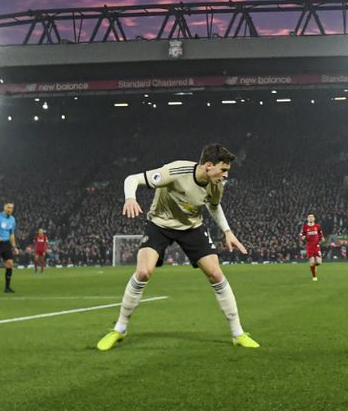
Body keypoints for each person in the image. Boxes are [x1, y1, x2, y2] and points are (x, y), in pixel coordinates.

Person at [96, 143, 259, 351]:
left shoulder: (216, 185)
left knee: (216, 274)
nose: (225, 175)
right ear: (209, 165)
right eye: (223, 170)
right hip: (160, 225)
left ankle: (238, 333)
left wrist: (228, 231)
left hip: (192, 228)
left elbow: (214, 206)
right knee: (143, 272)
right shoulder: (176, 171)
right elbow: (132, 179)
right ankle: (119, 329)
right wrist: (130, 197)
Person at [301, 213, 324, 281]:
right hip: (309, 246)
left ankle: (313, 267)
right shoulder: (305, 227)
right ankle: (314, 277)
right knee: (312, 262)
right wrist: (302, 237)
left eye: (312, 217)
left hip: (316, 246)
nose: (311, 218)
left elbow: (320, 232)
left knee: (319, 262)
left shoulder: (317, 226)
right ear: (307, 219)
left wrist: (322, 237)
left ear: (314, 219)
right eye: (309, 217)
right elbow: (302, 234)